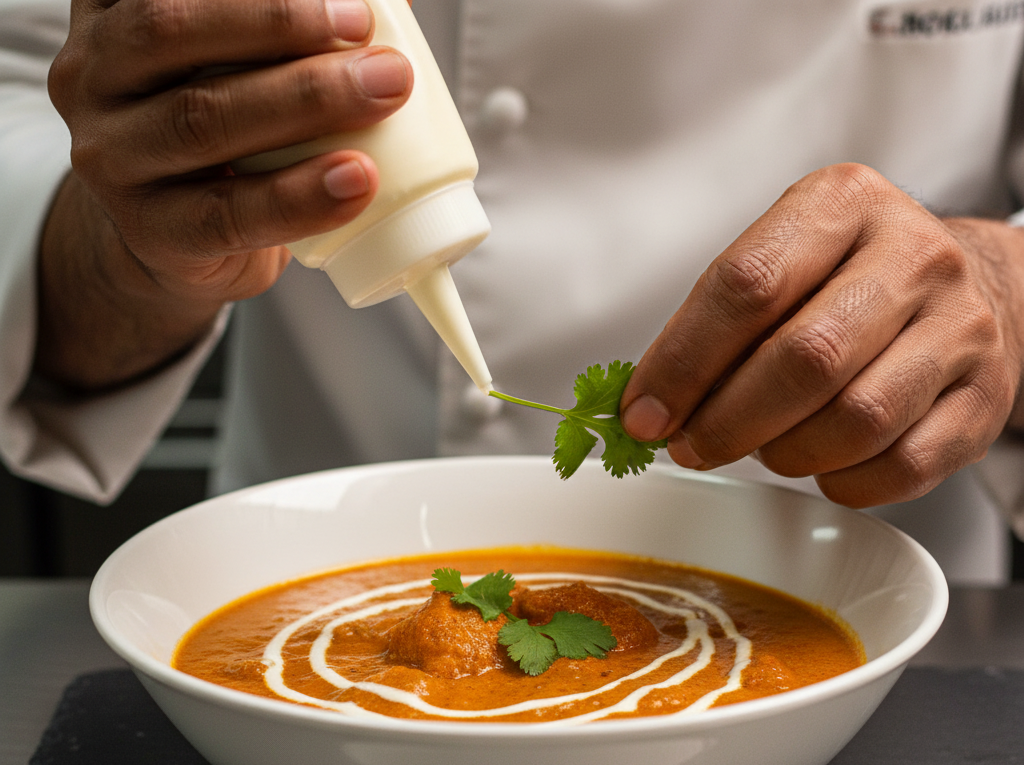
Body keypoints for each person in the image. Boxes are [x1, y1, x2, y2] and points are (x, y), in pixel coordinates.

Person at [3, 0, 1024, 583]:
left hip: (888, 623)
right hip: (296, 586)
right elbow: (30, 102)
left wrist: (1001, 286)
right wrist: (131, 248)